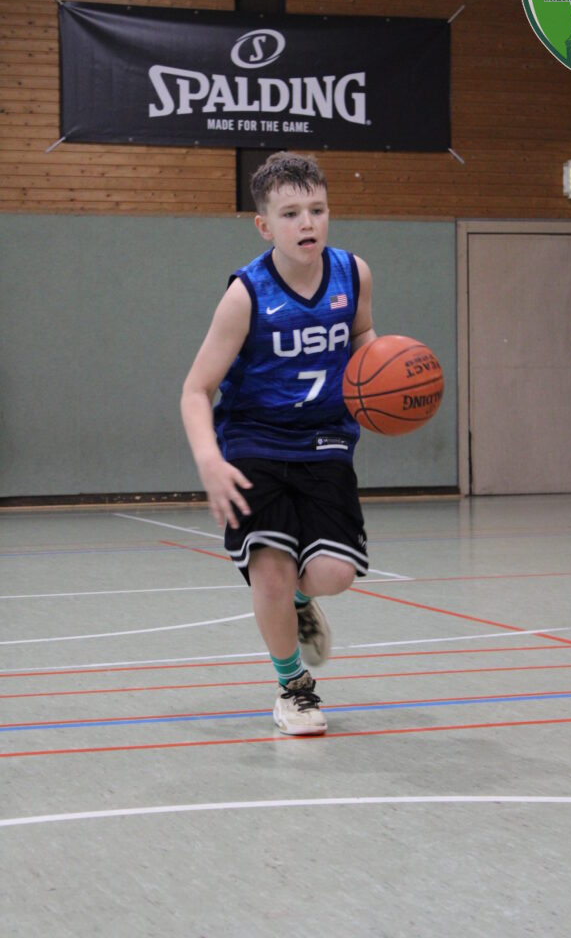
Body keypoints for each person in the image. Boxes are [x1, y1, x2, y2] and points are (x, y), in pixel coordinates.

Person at [181, 151, 376, 735]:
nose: (307, 223)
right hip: (254, 441)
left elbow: (363, 335)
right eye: (290, 214)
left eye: (317, 209)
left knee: (334, 574)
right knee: (270, 572)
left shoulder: (353, 273)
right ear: (264, 225)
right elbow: (196, 389)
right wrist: (209, 460)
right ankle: (295, 687)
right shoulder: (246, 294)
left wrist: (384, 372)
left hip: (326, 439)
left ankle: (299, 602)